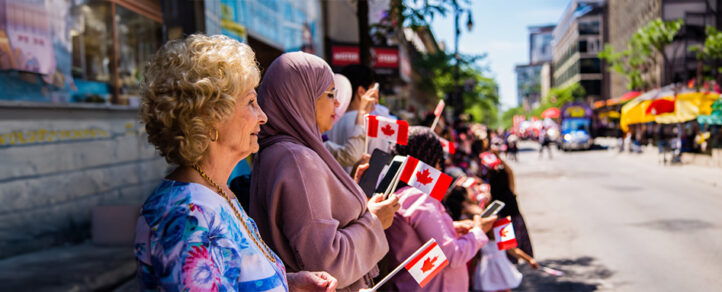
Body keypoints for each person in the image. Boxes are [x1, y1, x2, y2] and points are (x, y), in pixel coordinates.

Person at [134, 35, 337, 291]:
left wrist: (291, 284)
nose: (262, 117)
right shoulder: (189, 215)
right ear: (210, 116)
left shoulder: (215, 192)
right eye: (251, 103)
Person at [249, 52, 399, 291]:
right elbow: (326, 263)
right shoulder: (297, 158)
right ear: (301, 98)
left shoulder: (279, 151)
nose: (337, 103)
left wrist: (348, 192)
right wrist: (374, 221)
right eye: (330, 94)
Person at [383, 126, 497, 291]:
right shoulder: (417, 197)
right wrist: (479, 231)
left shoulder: (400, 195)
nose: (440, 167)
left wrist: (452, 228)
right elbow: (452, 254)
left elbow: (420, 244)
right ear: (427, 159)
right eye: (437, 160)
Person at [323, 73, 377, 168]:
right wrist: (362, 114)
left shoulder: (329, 120)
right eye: (330, 95)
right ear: (361, 92)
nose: (337, 102)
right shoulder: (364, 119)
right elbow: (351, 156)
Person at [472, 223, 540, 292]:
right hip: (487, 272)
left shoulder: (502, 238)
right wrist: (471, 274)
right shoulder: (482, 240)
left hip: (502, 270)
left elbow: (514, 250)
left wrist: (529, 259)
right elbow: (475, 258)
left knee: (505, 288)